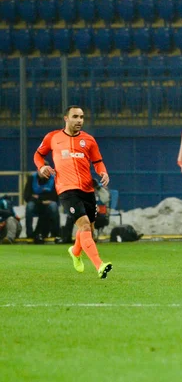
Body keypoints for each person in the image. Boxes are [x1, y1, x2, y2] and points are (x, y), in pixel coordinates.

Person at [34, 105, 113, 279]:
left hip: (87, 189)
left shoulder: (89, 140)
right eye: (75, 117)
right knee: (84, 225)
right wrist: (42, 167)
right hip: (66, 189)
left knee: (88, 230)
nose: (79, 120)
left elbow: (98, 161)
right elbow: (38, 155)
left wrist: (103, 172)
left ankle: (75, 251)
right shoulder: (52, 137)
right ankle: (100, 265)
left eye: (82, 117)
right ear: (66, 118)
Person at [23, 166, 62, 244]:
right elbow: (27, 196)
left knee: (53, 206)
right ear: (38, 170)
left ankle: (56, 234)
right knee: (29, 206)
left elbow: (55, 196)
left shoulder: (53, 179)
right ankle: (29, 234)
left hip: (48, 204)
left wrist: (38, 197)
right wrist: (43, 199)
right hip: (36, 204)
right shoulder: (32, 178)